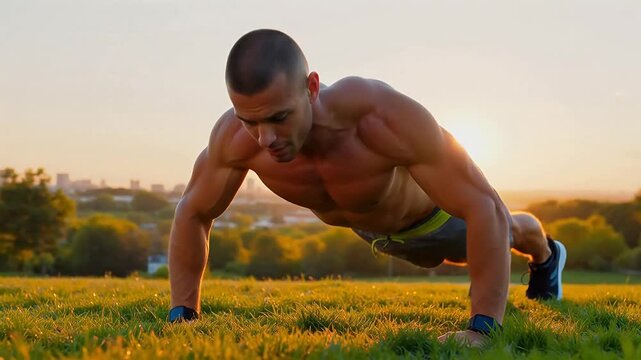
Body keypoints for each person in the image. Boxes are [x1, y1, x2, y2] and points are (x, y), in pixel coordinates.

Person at [167, 29, 567, 346]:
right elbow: (193, 212)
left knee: (508, 228)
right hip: (368, 225)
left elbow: (484, 206)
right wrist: (182, 315)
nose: (264, 138)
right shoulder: (234, 139)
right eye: (249, 120)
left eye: (279, 117)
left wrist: (483, 329)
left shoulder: (380, 116)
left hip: (434, 220)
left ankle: (547, 256)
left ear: (311, 88)